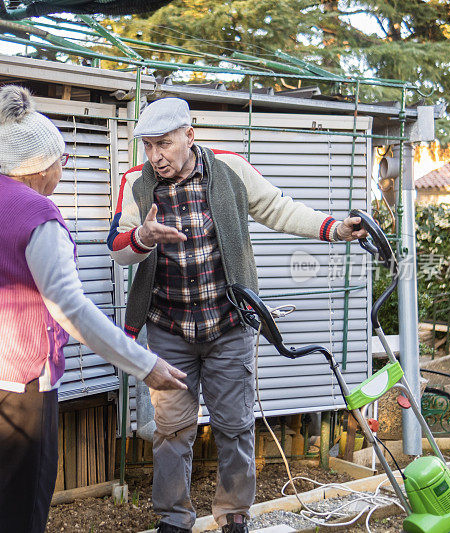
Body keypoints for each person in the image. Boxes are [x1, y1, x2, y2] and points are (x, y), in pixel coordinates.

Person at [106, 97, 368, 533]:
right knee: (173, 431)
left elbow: (278, 207)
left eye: (164, 144)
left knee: (235, 427)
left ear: (189, 136)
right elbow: (117, 247)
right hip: (169, 329)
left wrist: (334, 228)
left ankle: (233, 516)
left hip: (229, 326)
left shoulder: (229, 169)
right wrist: (143, 236)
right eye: (148, 146)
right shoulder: (135, 182)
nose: (155, 156)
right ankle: (173, 520)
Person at [0, 86, 187, 533]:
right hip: (16, 379)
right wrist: (144, 364)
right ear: (41, 164)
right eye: (62, 159)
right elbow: (70, 307)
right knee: (23, 501)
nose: (63, 167)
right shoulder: (39, 215)